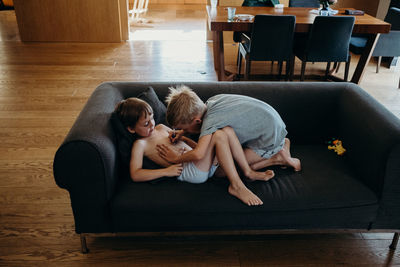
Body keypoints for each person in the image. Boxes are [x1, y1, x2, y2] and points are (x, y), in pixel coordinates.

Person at [114, 97, 275, 206]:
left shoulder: (161, 128)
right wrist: (166, 171)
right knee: (218, 134)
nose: (151, 125)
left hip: (202, 161)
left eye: (152, 118)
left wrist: (185, 139)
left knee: (226, 130)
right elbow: (136, 174)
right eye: (145, 123)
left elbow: (192, 145)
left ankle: (253, 169)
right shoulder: (140, 145)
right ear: (131, 129)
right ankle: (237, 186)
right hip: (191, 171)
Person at [163, 85, 301, 175]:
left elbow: (199, 154)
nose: (183, 130)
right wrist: (183, 132)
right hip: (273, 124)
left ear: (197, 121)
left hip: (268, 140)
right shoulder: (211, 102)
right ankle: (282, 144)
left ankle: (276, 157)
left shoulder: (210, 121)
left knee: (223, 171)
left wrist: (176, 158)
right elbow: (200, 126)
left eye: (183, 127)